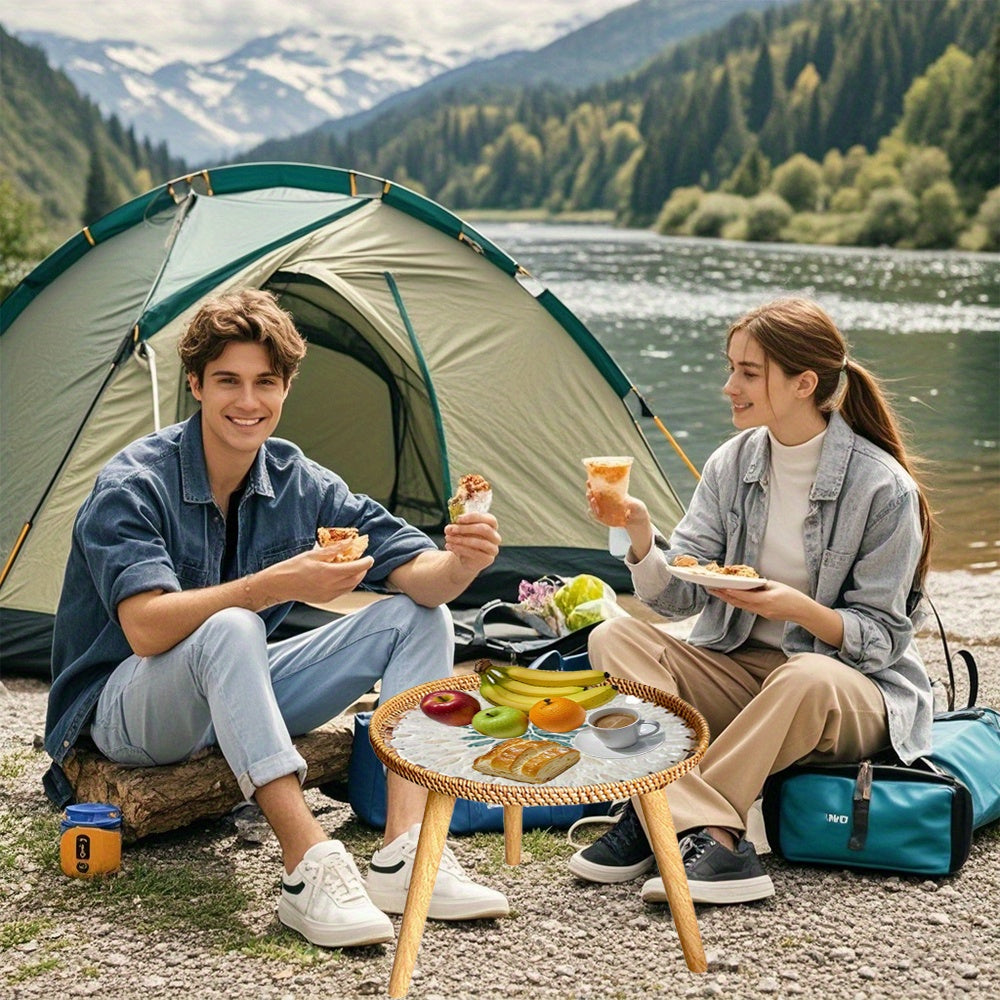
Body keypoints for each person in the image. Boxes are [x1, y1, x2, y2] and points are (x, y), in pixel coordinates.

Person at [43, 288, 509, 948]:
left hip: (238, 684)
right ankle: (306, 864)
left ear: (287, 386)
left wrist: (462, 562)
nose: (248, 401)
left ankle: (407, 854)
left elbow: (423, 579)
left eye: (266, 382)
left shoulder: (298, 480)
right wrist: (273, 584)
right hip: (129, 708)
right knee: (235, 624)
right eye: (228, 381)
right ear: (196, 384)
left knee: (422, 620)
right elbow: (145, 628)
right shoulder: (134, 481)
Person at [569, 297, 934, 905]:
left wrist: (794, 607)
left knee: (805, 673)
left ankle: (691, 823)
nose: (728, 386)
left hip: (848, 692)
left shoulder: (882, 487)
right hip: (740, 672)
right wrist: (639, 534)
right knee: (612, 637)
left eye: (748, 372)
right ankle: (680, 817)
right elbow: (679, 594)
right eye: (730, 367)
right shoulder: (731, 462)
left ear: (804, 384)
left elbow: (882, 639)